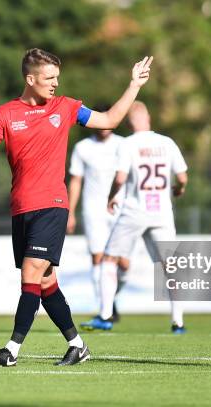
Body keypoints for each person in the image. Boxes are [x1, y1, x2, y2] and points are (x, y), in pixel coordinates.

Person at [0, 48, 153, 367]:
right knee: (47, 281)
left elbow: (109, 119)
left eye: (57, 78)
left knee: (31, 272)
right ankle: (77, 345)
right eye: (49, 78)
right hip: (22, 208)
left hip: (52, 204)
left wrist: (133, 85)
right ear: (30, 78)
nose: (55, 84)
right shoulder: (5, 113)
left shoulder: (66, 107)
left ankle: (11, 350)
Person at [81, 101, 188, 333]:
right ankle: (178, 322)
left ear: (127, 123)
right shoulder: (166, 142)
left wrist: (111, 197)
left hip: (134, 210)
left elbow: (120, 178)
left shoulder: (128, 144)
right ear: (148, 117)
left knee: (108, 260)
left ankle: (106, 315)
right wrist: (178, 189)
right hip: (161, 212)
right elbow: (182, 177)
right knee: (170, 266)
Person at [67, 115, 130, 323]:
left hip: (121, 208)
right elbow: (76, 181)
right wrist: (70, 212)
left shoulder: (123, 144)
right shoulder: (82, 147)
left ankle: (111, 297)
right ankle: (106, 309)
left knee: (124, 264)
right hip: (93, 209)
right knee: (98, 257)